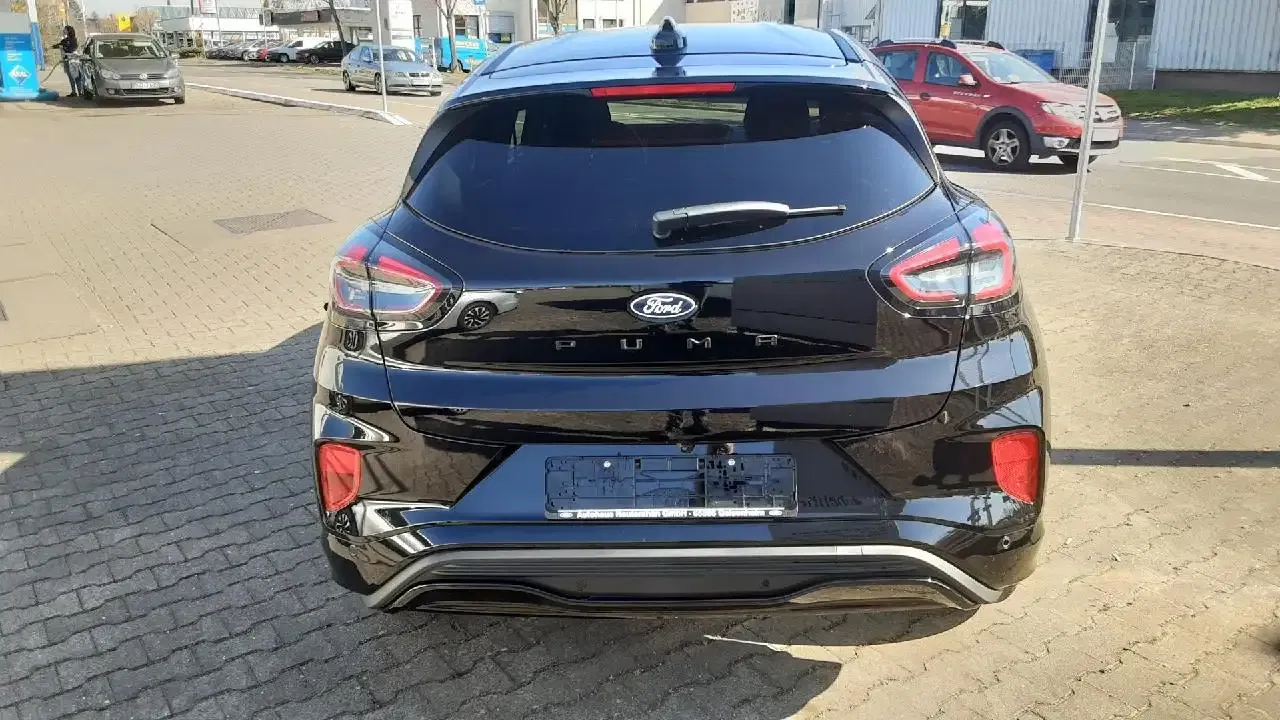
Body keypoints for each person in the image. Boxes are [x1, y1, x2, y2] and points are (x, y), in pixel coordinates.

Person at [51, 26, 82, 97]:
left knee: (76, 76)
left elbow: (72, 48)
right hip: (66, 60)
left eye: (65, 29)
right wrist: (52, 47)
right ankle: (74, 92)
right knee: (70, 76)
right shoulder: (64, 40)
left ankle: (80, 92)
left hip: (73, 60)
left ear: (68, 31)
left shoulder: (74, 40)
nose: (63, 31)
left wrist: (64, 47)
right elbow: (59, 45)